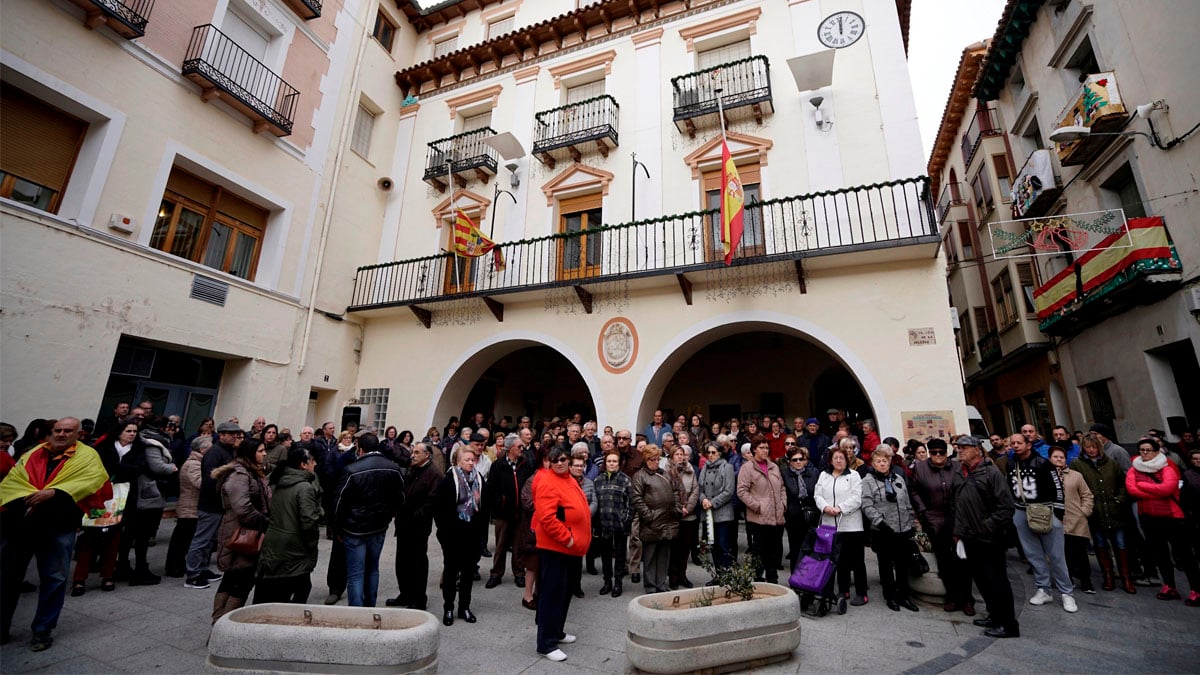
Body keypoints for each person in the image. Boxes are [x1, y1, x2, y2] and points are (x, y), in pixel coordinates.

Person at [0, 418, 108, 651]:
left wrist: (55, 493)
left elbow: (90, 483)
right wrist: (30, 495)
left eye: (67, 431)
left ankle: (42, 630)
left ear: (78, 434)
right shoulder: (34, 453)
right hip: (22, 525)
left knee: (54, 579)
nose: (60, 434)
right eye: (57, 430)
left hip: (59, 526)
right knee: (7, 578)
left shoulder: (88, 456)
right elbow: (12, 482)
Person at [952, 435, 1019, 638]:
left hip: (989, 538)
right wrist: (958, 531)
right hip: (969, 537)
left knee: (997, 580)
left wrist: (986, 526)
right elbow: (957, 505)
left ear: (977, 450)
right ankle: (994, 615)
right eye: (958, 448)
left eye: (964, 448)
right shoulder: (960, 473)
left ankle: (1008, 624)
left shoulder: (991, 473)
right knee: (982, 580)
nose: (960, 451)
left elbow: (1006, 507)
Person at [531, 446, 591, 662]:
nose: (559, 463)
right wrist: (567, 538)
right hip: (555, 548)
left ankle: (557, 632)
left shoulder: (569, 478)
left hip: (571, 550)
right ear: (548, 462)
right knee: (551, 595)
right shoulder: (548, 481)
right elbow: (547, 518)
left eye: (562, 459)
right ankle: (545, 644)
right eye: (554, 460)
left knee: (564, 594)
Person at [1007, 432, 1077, 612]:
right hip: (1022, 510)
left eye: (1019, 443)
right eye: (1013, 443)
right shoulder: (1010, 463)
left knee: (1056, 555)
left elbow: (1057, 488)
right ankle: (1043, 588)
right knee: (1033, 554)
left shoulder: (1044, 464)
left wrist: (1059, 512)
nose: (1015, 445)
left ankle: (1066, 592)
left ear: (1028, 445)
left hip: (1045, 510)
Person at [333, 433, 404, 608]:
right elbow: (400, 498)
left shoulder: (352, 469)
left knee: (356, 573)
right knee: (372, 568)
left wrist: (338, 528)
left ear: (360, 449)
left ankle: (358, 613)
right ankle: (369, 607)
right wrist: (388, 514)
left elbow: (339, 503)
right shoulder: (393, 468)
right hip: (378, 526)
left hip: (355, 528)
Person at [1126, 438, 1199, 606]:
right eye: (1142, 450)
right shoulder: (1134, 468)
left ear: (1157, 451)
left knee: (1184, 554)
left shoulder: (1168, 467)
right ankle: (1169, 585)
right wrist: (1154, 492)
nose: (1145, 453)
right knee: (1160, 553)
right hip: (1149, 516)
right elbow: (1131, 489)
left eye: (1148, 450)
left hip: (1172, 516)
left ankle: (1196, 589)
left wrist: (1142, 486)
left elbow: (1167, 488)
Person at [911, 438, 974, 614]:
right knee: (944, 561)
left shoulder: (957, 467)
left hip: (958, 517)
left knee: (962, 559)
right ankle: (952, 597)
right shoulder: (921, 468)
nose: (938, 456)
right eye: (934, 453)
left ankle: (967, 599)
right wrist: (924, 513)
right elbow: (914, 491)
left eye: (941, 452)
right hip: (934, 517)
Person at [210, 439, 270, 624]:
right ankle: (224, 623)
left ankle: (221, 621)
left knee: (235, 577)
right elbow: (242, 509)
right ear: (250, 453)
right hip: (241, 533)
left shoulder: (252, 472)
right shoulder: (239, 475)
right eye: (261, 450)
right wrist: (266, 521)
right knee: (240, 579)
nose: (265, 453)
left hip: (247, 531)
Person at [255, 446, 322, 604]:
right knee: (295, 589)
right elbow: (308, 521)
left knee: (273, 587)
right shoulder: (304, 487)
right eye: (312, 461)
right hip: (294, 546)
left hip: (274, 540)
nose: (315, 464)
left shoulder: (277, 479)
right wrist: (312, 542)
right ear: (303, 465)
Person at [117, 416, 178, 586]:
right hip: (145, 493)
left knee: (132, 533)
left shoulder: (143, 442)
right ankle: (139, 570)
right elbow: (155, 466)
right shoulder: (151, 443)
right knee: (141, 534)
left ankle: (125, 566)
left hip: (139, 492)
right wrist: (172, 467)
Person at [1071, 432, 1134, 593]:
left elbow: (1122, 484)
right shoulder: (1077, 464)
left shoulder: (1111, 463)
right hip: (1095, 512)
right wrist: (1086, 507)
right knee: (1100, 544)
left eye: (1094, 447)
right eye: (1088, 447)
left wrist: (1119, 500)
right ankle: (1108, 575)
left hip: (1114, 510)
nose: (1091, 450)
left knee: (1120, 544)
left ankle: (1126, 576)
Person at [434, 442, 488, 626]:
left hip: (472, 535)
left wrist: (480, 532)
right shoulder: (450, 480)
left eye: (473, 460)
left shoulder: (479, 479)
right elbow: (440, 510)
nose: (471, 463)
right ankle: (448, 607)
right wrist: (447, 533)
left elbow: (484, 508)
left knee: (467, 573)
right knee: (450, 572)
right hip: (453, 535)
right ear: (457, 461)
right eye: (467, 460)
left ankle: (464, 607)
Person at [861, 445, 919, 612]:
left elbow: (907, 503)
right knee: (885, 565)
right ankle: (890, 596)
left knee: (902, 565)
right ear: (873, 463)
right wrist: (880, 522)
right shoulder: (868, 481)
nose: (882, 464)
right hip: (883, 530)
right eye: (878, 461)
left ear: (890, 462)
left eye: (885, 461)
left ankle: (903, 596)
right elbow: (867, 504)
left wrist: (911, 523)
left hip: (903, 529)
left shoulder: (898, 479)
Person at [185, 421, 240, 589]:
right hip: (211, 504)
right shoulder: (214, 453)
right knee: (201, 539)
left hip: (219, 504)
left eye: (235, 434)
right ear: (221, 435)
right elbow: (210, 481)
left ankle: (202, 569)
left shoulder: (228, 451)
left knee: (209, 541)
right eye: (231, 434)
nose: (234, 437)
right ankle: (193, 574)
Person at [387, 442, 440, 610]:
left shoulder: (433, 474)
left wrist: (415, 516)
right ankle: (405, 594)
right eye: (412, 452)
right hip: (403, 524)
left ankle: (418, 598)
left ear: (427, 455)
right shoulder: (412, 469)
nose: (413, 455)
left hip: (418, 526)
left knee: (417, 563)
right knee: (402, 562)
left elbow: (432, 502)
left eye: (417, 452)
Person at [814, 442, 866, 612]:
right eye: (835, 458)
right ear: (830, 460)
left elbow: (857, 498)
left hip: (851, 525)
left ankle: (861, 592)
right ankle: (843, 590)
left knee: (857, 560)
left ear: (847, 459)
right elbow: (818, 494)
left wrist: (840, 508)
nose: (838, 460)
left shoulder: (854, 475)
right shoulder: (824, 475)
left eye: (841, 458)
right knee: (839, 560)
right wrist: (825, 507)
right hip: (830, 524)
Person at [485, 434, 534, 590]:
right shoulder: (498, 466)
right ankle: (496, 574)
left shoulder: (525, 464)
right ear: (510, 448)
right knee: (501, 545)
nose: (522, 449)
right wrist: (499, 503)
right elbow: (491, 489)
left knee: (519, 545)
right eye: (519, 446)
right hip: (503, 513)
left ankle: (519, 573)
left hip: (521, 513)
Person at [738, 435, 787, 584]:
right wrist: (757, 506)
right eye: (761, 448)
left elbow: (782, 487)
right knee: (759, 551)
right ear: (754, 450)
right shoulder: (747, 468)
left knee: (773, 550)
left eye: (767, 447)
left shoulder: (774, 466)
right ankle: (757, 580)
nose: (765, 450)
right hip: (758, 517)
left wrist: (783, 503)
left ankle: (773, 580)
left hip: (776, 515)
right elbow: (741, 491)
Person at [631, 444, 679, 594]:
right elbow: (637, 499)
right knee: (650, 556)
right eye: (652, 459)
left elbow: (675, 490)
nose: (656, 462)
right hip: (651, 522)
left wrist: (675, 508)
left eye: (658, 459)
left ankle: (661, 584)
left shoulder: (664, 473)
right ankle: (650, 586)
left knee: (663, 555)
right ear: (646, 459)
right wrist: (648, 515)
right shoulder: (640, 476)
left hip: (667, 520)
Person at [1050, 445, 1095, 594]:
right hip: (1057, 521)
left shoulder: (1076, 475)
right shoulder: (1046, 476)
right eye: (1055, 457)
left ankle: (1086, 581)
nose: (1058, 459)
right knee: (1063, 553)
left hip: (1077, 520)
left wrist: (1084, 512)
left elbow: (1087, 495)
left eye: (1061, 457)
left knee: (1081, 553)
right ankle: (1066, 579)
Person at [166, 436, 210, 578]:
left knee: (184, 539)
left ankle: (178, 565)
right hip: (189, 507)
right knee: (181, 539)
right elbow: (199, 483)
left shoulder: (198, 462)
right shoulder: (193, 464)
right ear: (202, 449)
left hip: (191, 506)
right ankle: (174, 566)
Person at [593, 451, 632, 597]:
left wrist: (626, 520)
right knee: (605, 556)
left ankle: (618, 583)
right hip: (604, 524)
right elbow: (595, 503)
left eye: (614, 461)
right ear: (605, 463)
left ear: (619, 463)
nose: (611, 464)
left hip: (620, 525)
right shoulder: (598, 480)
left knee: (620, 556)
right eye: (609, 461)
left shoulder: (626, 480)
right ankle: (607, 582)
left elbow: (631, 504)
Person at [698, 443, 737, 575]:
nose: (710, 455)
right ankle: (718, 575)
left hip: (723, 512)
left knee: (723, 545)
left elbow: (729, 491)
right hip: (708, 513)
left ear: (720, 453)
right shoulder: (705, 467)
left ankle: (725, 575)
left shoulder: (727, 467)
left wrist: (712, 502)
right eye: (708, 452)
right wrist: (703, 499)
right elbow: (700, 487)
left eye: (713, 452)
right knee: (713, 545)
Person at [782, 444, 819, 572]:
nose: (798, 462)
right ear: (789, 462)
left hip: (811, 517)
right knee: (795, 550)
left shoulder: (813, 474)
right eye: (794, 459)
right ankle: (796, 579)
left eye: (800, 459)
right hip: (793, 517)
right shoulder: (785, 475)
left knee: (810, 549)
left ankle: (808, 580)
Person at [666, 445, 699, 589]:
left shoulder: (690, 471)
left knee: (685, 548)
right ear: (672, 456)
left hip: (688, 516)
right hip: (673, 515)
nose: (680, 456)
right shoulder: (667, 471)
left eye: (682, 454)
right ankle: (673, 576)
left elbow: (695, 490)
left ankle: (682, 575)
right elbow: (667, 492)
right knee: (674, 548)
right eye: (677, 454)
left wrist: (688, 508)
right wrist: (679, 509)